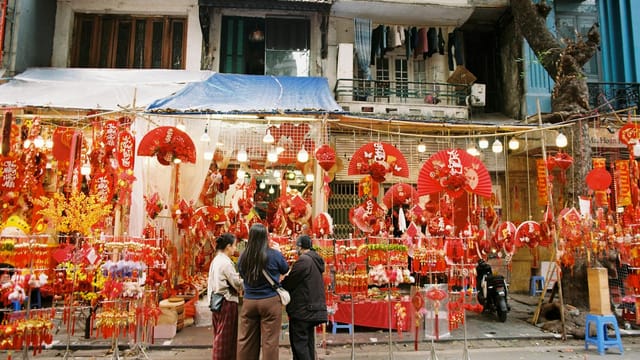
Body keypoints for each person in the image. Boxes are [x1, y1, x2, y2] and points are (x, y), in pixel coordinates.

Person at [237, 223, 289, 360]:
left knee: (246, 341)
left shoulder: (243, 257)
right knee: (270, 342)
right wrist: (279, 252)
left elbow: (241, 274)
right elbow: (285, 269)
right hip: (270, 301)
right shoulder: (274, 255)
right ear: (266, 238)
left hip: (249, 301)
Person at [281, 234, 328, 360]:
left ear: (300, 247)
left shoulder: (304, 261)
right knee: (308, 344)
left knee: (300, 345)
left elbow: (291, 281)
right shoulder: (315, 260)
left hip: (303, 310)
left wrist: (281, 283)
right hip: (312, 309)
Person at [208, 233, 243, 360]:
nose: (235, 249)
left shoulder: (216, 260)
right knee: (224, 340)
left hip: (216, 301)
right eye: (234, 246)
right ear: (228, 246)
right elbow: (236, 282)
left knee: (220, 335)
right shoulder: (225, 263)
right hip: (226, 301)